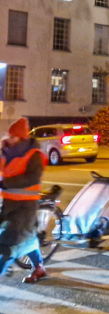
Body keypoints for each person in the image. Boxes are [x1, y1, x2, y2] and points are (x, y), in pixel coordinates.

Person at [0, 117, 48, 283]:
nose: (9, 139)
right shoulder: (7, 152)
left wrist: (5, 183)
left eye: (13, 136)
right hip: (9, 203)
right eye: (9, 136)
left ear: (21, 138)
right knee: (27, 237)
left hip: (26, 205)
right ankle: (39, 268)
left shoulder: (33, 155)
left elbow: (32, 178)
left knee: (9, 243)